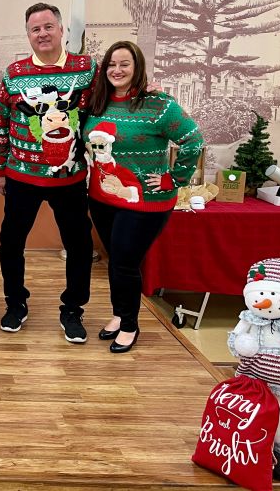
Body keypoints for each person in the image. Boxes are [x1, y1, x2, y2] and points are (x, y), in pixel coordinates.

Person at [83, 41, 203, 353]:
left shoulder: (158, 105)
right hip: (103, 197)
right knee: (117, 261)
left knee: (124, 262)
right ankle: (119, 314)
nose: (117, 70)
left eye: (125, 64)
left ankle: (130, 325)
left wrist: (173, 178)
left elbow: (193, 140)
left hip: (144, 200)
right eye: (112, 64)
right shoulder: (99, 102)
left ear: (138, 68)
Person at [0, 3, 94, 342]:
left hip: (70, 177)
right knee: (11, 242)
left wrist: (144, 90)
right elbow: (1, 120)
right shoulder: (14, 72)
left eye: (48, 26)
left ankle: (72, 309)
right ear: (28, 35)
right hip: (22, 176)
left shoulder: (87, 68)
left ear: (62, 30)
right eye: (35, 29)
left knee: (78, 245)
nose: (43, 34)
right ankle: (15, 303)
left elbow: (112, 99)